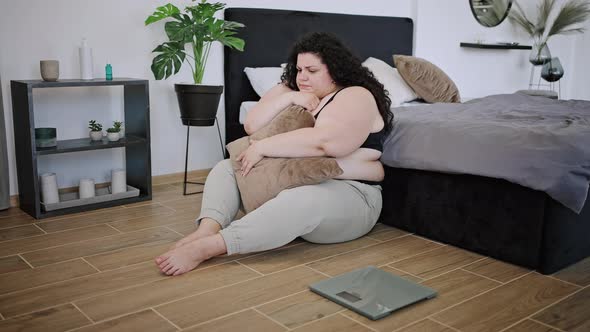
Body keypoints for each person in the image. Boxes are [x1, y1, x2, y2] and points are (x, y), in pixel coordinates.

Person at [155, 32, 393, 276]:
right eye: (299, 70)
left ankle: (210, 247)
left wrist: (262, 147)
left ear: (336, 69)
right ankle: (207, 229)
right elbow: (252, 124)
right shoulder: (293, 89)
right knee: (228, 167)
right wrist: (290, 96)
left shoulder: (356, 95)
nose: (302, 77)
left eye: (312, 70)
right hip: (294, 180)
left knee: (302, 199)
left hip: (351, 196)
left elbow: (327, 142)